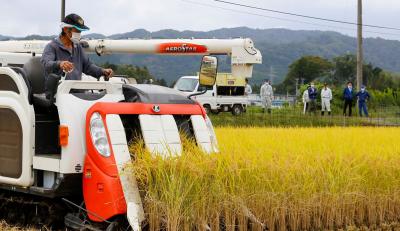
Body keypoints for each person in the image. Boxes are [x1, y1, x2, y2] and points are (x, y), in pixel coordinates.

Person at [41, 13, 113, 99]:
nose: (79, 33)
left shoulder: (77, 47)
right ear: (65, 29)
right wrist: (60, 64)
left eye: (80, 31)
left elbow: (87, 66)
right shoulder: (51, 47)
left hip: (77, 93)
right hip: (57, 94)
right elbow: (46, 64)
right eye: (77, 30)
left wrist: (102, 71)